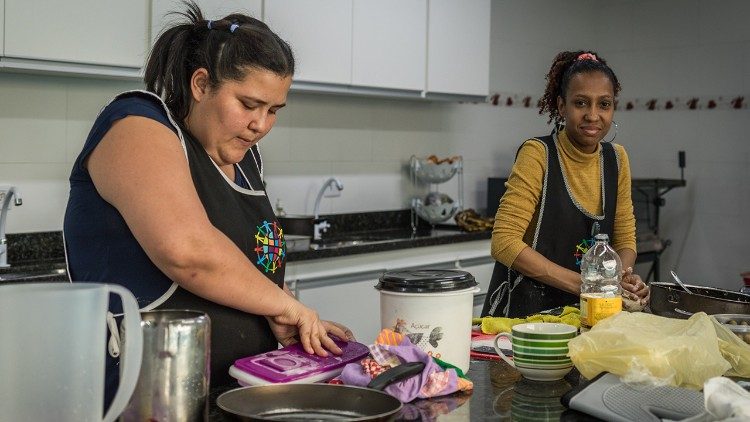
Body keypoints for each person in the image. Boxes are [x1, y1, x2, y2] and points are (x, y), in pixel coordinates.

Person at [63, 1, 353, 405]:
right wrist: (289, 307)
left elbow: (254, 274)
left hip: (239, 393)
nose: (261, 125)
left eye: (273, 111)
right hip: (148, 398)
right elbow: (189, 253)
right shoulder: (136, 125)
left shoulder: (246, 159)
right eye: (249, 105)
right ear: (201, 85)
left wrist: (294, 323)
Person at [481, 50, 651, 318]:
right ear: (562, 106)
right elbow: (504, 242)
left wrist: (620, 280)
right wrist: (587, 285)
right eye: (581, 103)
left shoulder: (617, 159)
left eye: (604, 104)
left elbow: (625, 239)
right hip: (525, 318)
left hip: (586, 314)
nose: (593, 115)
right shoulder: (538, 153)